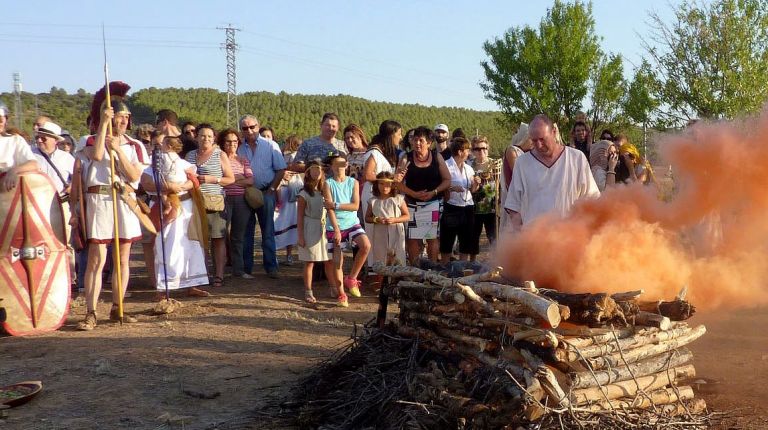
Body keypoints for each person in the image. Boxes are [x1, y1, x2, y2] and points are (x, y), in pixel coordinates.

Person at [77, 88, 148, 330]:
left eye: (127, 117)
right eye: (119, 116)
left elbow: (135, 174)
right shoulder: (89, 139)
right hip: (99, 200)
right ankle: (91, 312)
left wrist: (118, 149)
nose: (124, 121)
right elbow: (96, 156)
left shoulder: (135, 145)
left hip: (123, 199)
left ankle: (118, 308)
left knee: (123, 259)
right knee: (97, 259)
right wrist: (104, 126)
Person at [140, 135, 209, 296]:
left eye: (162, 144)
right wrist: (168, 187)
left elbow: (194, 180)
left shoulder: (184, 164)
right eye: (156, 145)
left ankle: (192, 283)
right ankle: (164, 288)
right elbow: (146, 182)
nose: (159, 147)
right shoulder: (152, 165)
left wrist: (182, 185)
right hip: (162, 205)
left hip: (186, 206)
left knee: (190, 244)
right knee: (167, 245)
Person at [504, 114, 600, 228]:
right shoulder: (522, 163)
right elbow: (513, 205)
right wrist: (520, 233)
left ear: (554, 132)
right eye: (534, 141)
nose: (539, 145)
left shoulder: (577, 158)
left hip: (571, 236)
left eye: (542, 139)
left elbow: (592, 199)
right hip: (534, 239)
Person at [236, 114, 286, 279]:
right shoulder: (238, 147)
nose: (249, 130)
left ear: (258, 126)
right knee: (246, 232)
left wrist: (272, 189)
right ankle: (246, 268)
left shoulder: (271, 145)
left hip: (266, 193)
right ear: (241, 130)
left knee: (268, 231)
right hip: (246, 194)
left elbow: (281, 169)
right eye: (245, 128)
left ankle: (271, 267)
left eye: (252, 127)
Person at [185, 124, 234, 288]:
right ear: (196, 137)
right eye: (202, 136)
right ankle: (202, 274)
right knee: (198, 240)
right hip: (194, 203)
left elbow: (230, 179)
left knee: (218, 239)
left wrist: (213, 179)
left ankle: (219, 275)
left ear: (214, 138)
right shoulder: (189, 155)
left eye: (209, 136)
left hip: (215, 202)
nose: (206, 139)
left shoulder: (220, 154)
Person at [394, 126, 451, 265]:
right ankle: (415, 269)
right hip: (412, 204)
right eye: (415, 140)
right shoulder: (406, 157)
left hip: (434, 203)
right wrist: (413, 193)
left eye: (421, 140)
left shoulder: (437, 156)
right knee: (412, 238)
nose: (417, 143)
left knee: (432, 237)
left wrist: (434, 192)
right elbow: (396, 183)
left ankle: (432, 268)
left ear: (429, 143)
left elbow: (447, 180)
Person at [322, 152, 370, 301]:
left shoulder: (353, 183)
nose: (338, 167)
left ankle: (352, 278)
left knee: (366, 246)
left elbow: (355, 206)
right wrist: (336, 229)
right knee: (338, 261)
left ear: (347, 165)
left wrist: (336, 205)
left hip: (352, 223)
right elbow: (328, 209)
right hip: (335, 226)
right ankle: (342, 293)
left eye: (341, 163)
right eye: (335, 164)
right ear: (331, 166)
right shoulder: (328, 183)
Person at [33, 121, 76, 284]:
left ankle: (68, 282)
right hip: (36, 206)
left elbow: (78, 179)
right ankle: (42, 280)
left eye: (43, 138)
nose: (39, 141)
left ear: (54, 140)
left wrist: (72, 187)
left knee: (64, 242)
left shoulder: (66, 158)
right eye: (38, 138)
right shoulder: (30, 155)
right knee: (38, 243)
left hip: (61, 205)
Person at [360, 121, 401, 264]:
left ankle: (381, 265)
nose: (400, 137)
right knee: (374, 233)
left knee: (382, 233)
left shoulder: (380, 153)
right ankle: (374, 267)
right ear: (391, 135)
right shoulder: (374, 152)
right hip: (374, 195)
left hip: (381, 196)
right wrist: (390, 180)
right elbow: (368, 174)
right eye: (399, 134)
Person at [219, 128, 254, 279]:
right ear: (222, 142)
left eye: (235, 141)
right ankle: (219, 270)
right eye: (228, 141)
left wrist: (231, 179)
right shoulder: (218, 159)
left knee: (238, 236)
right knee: (219, 235)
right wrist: (238, 178)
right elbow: (219, 180)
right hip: (223, 199)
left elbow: (251, 181)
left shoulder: (243, 159)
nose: (232, 144)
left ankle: (238, 270)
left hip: (241, 201)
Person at [440, 137, 481, 264]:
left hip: (468, 206)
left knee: (466, 239)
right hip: (451, 206)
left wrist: (477, 183)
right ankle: (445, 268)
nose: (469, 153)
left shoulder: (469, 168)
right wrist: (451, 188)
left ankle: (463, 267)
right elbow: (441, 186)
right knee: (448, 239)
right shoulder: (446, 165)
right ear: (460, 151)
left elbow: (473, 190)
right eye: (467, 150)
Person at [296, 159, 330, 304]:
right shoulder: (304, 193)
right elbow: (299, 216)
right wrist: (300, 236)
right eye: (313, 169)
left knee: (328, 260)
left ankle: (334, 287)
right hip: (310, 226)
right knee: (309, 261)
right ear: (308, 172)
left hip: (323, 227)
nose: (317, 172)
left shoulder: (325, 191)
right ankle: (308, 290)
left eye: (319, 169)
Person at [364, 171, 409, 267]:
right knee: (380, 256)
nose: (384, 187)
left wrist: (395, 220)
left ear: (393, 185)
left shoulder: (398, 199)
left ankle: (396, 278)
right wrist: (376, 220)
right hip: (380, 233)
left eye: (388, 184)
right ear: (377, 184)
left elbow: (407, 216)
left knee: (397, 255)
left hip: (395, 231)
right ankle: (381, 278)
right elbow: (367, 218)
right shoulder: (373, 201)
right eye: (381, 184)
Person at [275, 134, 303, 265]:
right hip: (286, 192)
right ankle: (287, 255)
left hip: (288, 192)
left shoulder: (294, 157)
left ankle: (286, 255)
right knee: (283, 223)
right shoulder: (283, 156)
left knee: (285, 222)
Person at [468, 135, 497, 260]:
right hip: (475, 207)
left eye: (484, 148)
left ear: (488, 148)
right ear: (473, 151)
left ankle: (497, 262)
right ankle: (471, 263)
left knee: (493, 237)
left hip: (493, 207)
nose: (481, 151)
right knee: (473, 237)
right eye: (478, 149)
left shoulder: (496, 164)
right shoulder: (469, 165)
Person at [500, 123, 533, 234]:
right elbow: (518, 174)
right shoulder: (512, 150)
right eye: (531, 138)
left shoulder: (529, 153)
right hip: (515, 197)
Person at [0, 102, 39, 192]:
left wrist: (14, 171)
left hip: (6, 198)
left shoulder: (15, 140)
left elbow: (33, 164)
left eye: (0, 120)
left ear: (5, 120)